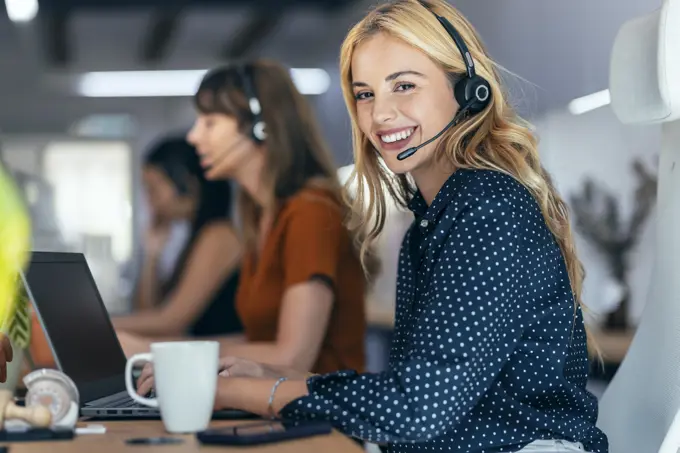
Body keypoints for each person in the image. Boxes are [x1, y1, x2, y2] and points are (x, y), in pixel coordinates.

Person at [161, 1, 610, 452]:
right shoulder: (433, 221)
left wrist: (259, 393)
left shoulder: (487, 208)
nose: (380, 115)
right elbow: (415, 394)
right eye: (365, 94)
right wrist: (286, 379)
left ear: (467, 89)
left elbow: (417, 409)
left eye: (405, 86)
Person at [138, 59, 369, 377]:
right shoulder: (259, 217)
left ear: (261, 127)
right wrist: (163, 350)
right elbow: (258, 342)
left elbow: (292, 357)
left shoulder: (310, 212)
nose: (194, 137)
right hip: (272, 404)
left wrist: (151, 351)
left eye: (209, 122)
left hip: (323, 415)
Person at [113, 136, 242, 355]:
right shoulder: (193, 236)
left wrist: (97, 324)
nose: (149, 201)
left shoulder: (219, 235)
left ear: (186, 184)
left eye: (153, 189)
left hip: (224, 366)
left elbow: (171, 322)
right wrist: (152, 255)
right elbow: (147, 312)